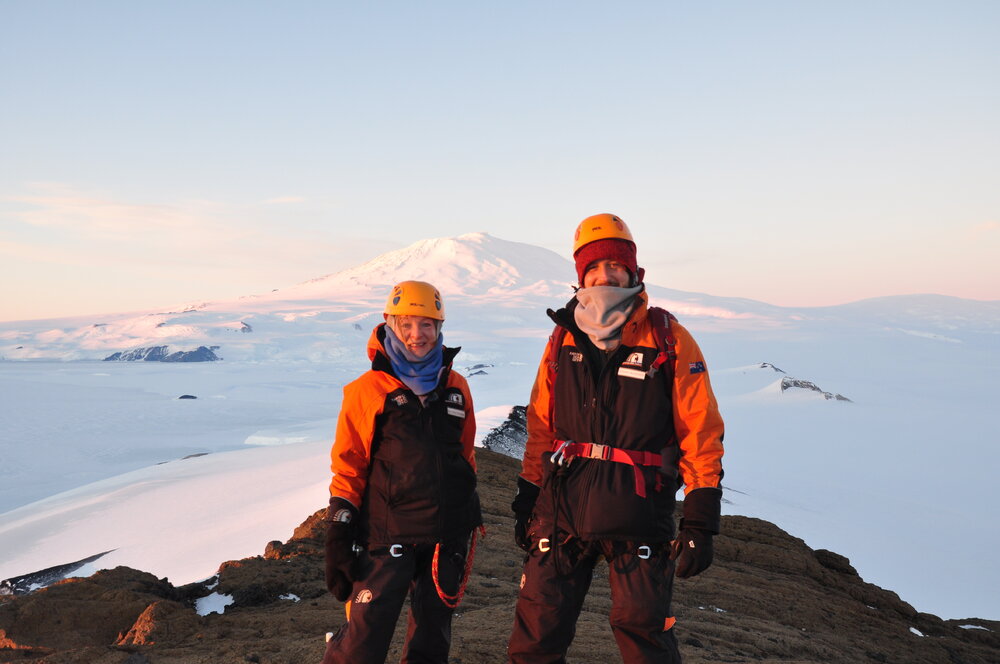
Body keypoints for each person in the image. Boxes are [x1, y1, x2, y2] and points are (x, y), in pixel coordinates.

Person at [506, 214, 725, 664]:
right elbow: (542, 425)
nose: (605, 276)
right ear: (580, 276)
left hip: (639, 511)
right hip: (562, 510)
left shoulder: (668, 337)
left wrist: (700, 520)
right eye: (594, 268)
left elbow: (699, 430)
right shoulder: (561, 337)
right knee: (534, 643)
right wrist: (529, 496)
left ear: (633, 272)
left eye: (615, 265)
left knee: (644, 640)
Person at [322, 280, 483, 664]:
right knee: (362, 643)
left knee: (431, 642)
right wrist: (340, 528)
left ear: (439, 328)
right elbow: (350, 463)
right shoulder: (367, 390)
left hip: (445, 538)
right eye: (407, 323)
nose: (417, 334)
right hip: (386, 535)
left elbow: (465, 455)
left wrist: (465, 519)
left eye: (427, 324)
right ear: (389, 323)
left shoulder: (456, 388)